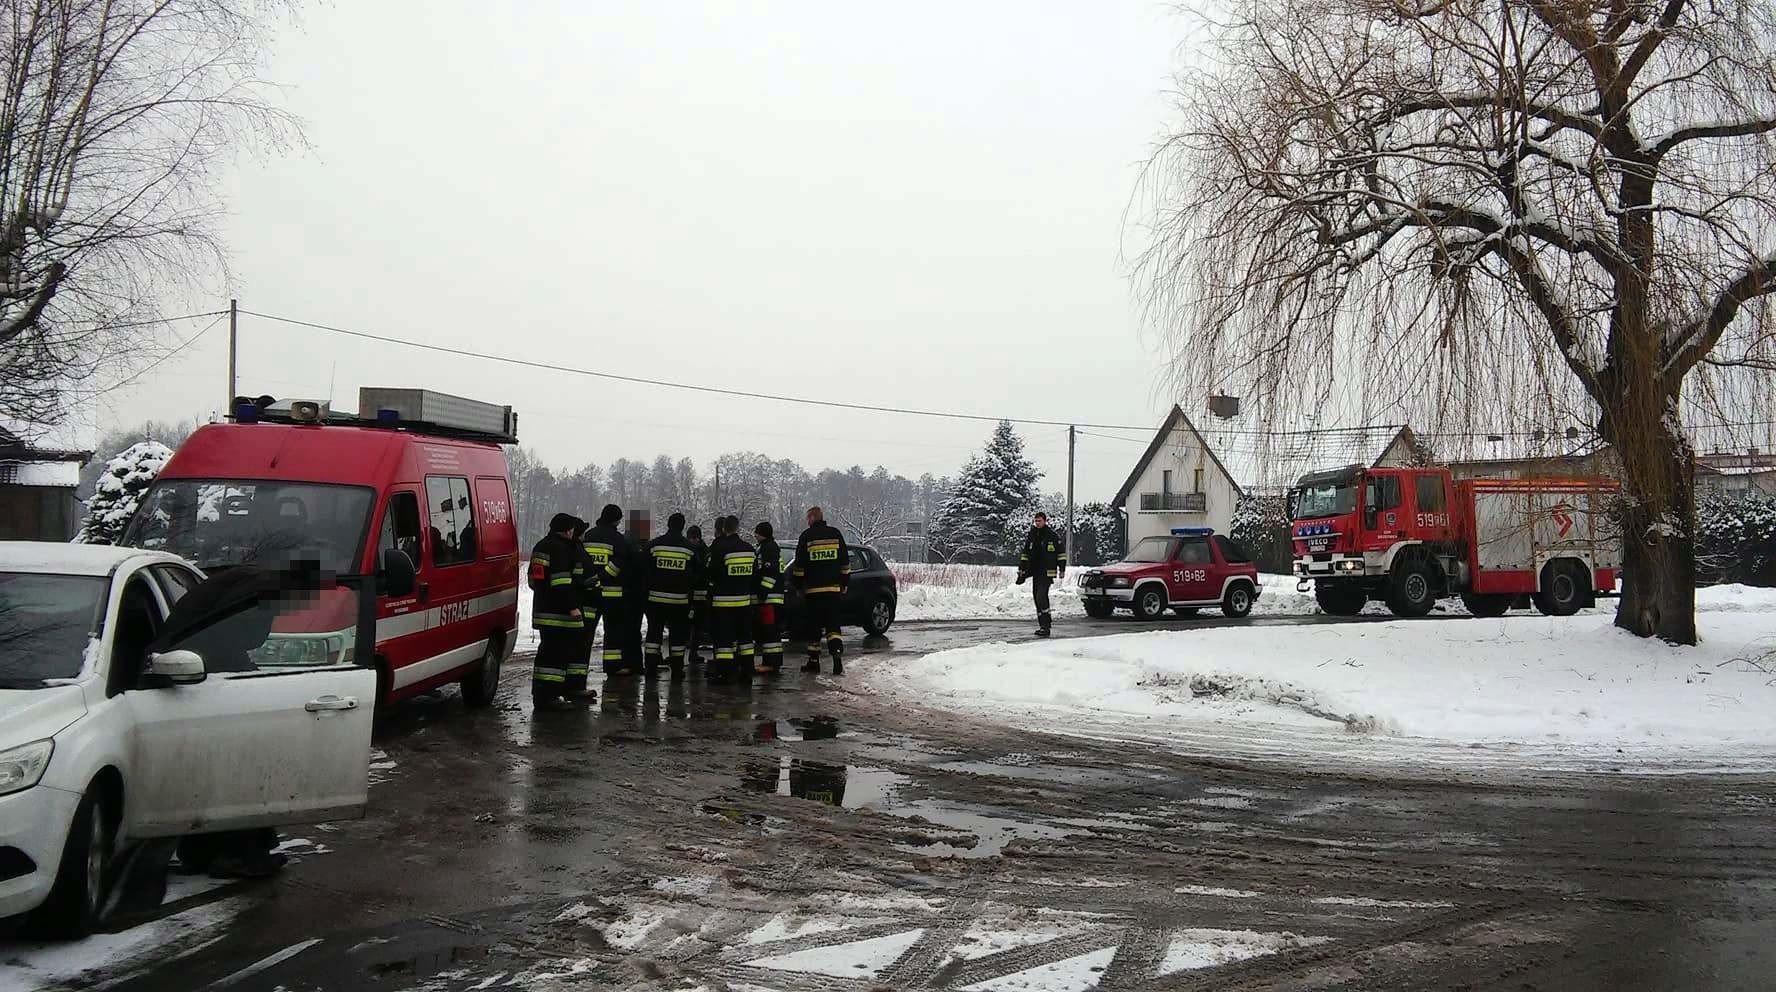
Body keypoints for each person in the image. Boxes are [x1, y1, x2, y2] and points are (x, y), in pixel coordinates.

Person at [529, 512, 587, 709]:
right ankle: (549, 697)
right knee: (556, 656)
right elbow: (562, 583)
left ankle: (542, 694)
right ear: (567, 530)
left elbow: (534, 580)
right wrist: (572, 607)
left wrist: (545, 595)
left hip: (543, 610)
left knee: (547, 653)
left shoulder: (541, 546)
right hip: (560, 614)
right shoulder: (562, 549)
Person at [792, 506, 848, 675]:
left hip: (813, 592)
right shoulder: (836, 534)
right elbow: (845, 562)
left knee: (814, 627)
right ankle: (836, 657)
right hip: (833, 590)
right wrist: (844, 582)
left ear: (812, 518)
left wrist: (798, 585)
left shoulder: (806, 536)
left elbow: (799, 566)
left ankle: (814, 662)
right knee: (833, 625)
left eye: (808, 518)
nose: (807, 521)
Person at [643, 512, 698, 680]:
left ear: (668, 524)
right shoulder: (689, 549)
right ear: (683, 527)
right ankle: (677, 670)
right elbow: (697, 574)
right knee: (677, 637)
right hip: (679, 601)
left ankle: (650, 668)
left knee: (653, 634)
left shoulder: (654, 545)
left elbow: (643, 570)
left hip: (655, 600)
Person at [583, 504, 637, 676]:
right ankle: (612, 667)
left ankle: (580, 667)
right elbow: (620, 564)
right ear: (616, 520)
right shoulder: (618, 539)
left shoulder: (588, 536)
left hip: (589, 594)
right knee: (613, 632)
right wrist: (603, 576)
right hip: (612, 596)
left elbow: (581, 561)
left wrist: (591, 579)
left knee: (586, 632)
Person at [707, 515, 756, 682]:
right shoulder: (749, 549)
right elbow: (755, 575)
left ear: (723, 529)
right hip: (744, 602)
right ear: (737, 528)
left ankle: (725, 673)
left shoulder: (720, 548)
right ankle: (747, 671)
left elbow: (712, 573)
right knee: (745, 639)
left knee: (724, 640)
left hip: (723, 603)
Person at [1017, 511, 1067, 638]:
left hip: (1047, 572)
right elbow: (1025, 553)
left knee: (1041, 597)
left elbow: (1061, 553)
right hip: (1035, 572)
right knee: (1036, 598)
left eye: (1039, 521)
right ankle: (1042, 626)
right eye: (1036, 521)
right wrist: (1022, 568)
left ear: (1045, 521)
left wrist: (1062, 569)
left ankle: (1046, 624)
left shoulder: (1052, 536)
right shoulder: (1032, 535)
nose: (1037, 523)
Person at [567, 516, 598, 699]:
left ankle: (572, 686)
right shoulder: (577, 551)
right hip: (583, 607)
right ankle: (576, 686)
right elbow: (582, 579)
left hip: (578, 605)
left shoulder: (571, 549)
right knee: (581, 648)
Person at [752, 521, 786, 674]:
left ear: (762, 534)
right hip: (771, 597)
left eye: (757, 532)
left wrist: (762, 592)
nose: (755, 535)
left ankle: (771, 663)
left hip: (770, 598)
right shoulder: (766, 547)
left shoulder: (769, 548)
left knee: (770, 631)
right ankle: (770, 662)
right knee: (769, 631)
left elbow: (770, 573)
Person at [685, 524, 709, 664]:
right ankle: (687, 653)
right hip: (689, 594)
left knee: (697, 626)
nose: (694, 541)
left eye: (695, 538)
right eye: (691, 538)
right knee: (687, 626)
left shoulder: (704, 551)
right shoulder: (703, 550)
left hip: (697, 594)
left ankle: (693, 653)